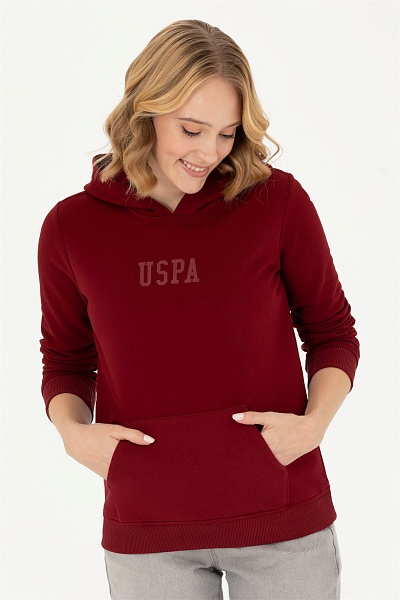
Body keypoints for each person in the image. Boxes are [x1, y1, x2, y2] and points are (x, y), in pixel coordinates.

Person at [37, 19, 360, 600]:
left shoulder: (277, 201)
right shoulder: (71, 227)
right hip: (147, 532)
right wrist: (72, 433)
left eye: (227, 134)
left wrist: (313, 425)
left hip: (284, 523)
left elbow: (333, 332)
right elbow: (65, 359)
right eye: (191, 129)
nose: (209, 153)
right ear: (146, 111)